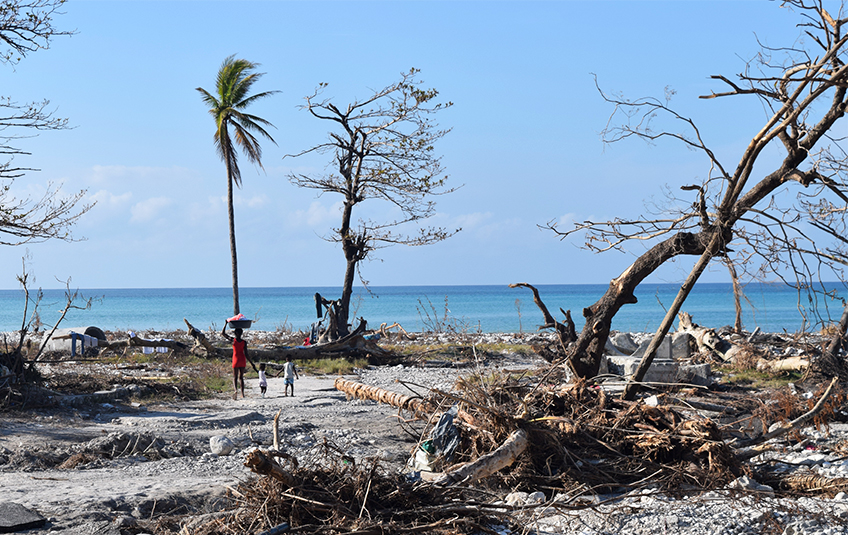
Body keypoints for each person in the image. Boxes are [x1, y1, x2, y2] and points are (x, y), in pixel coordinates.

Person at [221, 325, 257, 400]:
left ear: (236, 333)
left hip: (236, 360)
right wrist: (251, 363)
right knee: (241, 378)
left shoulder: (233, 340)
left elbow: (223, 333)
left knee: (235, 377)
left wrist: (226, 324)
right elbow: (246, 353)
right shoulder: (244, 342)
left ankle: (235, 390)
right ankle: (242, 394)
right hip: (242, 360)